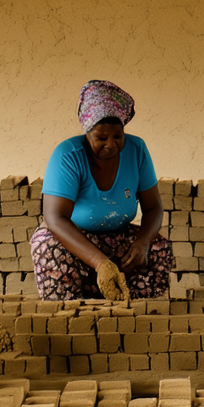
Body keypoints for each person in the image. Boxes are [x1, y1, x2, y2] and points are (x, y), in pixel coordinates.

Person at [30, 80, 174, 300]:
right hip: (75, 239)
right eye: (101, 138)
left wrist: (143, 243)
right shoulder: (68, 155)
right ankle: (71, 316)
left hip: (118, 238)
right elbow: (54, 218)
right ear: (88, 133)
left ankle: (138, 317)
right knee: (46, 246)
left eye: (118, 136)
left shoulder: (137, 151)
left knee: (159, 247)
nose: (111, 144)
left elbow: (153, 207)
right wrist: (100, 263)